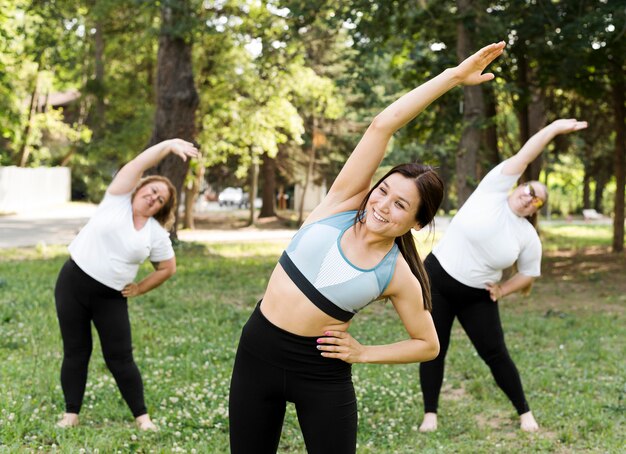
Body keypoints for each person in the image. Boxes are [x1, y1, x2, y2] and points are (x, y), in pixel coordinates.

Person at [228, 41, 506, 453]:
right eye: (383, 191)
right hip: (257, 353)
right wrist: (452, 78)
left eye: (400, 204)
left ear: (417, 222)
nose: (382, 205)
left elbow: (427, 344)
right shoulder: (339, 204)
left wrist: (363, 353)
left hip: (320, 374)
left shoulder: (396, 273)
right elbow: (382, 125)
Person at [418, 118, 588, 433]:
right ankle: (430, 414)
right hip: (437, 279)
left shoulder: (527, 237)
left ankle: (524, 413)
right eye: (529, 189)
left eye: (537, 199)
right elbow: (524, 155)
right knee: (433, 346)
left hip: (476, 295)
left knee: (495, 353)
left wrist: (504, 290)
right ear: (519, 186)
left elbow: (528, 274)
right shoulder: (492, 190)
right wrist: (552, 130)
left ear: (536, 209)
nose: (529, 197)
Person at [54, 139, 199, 430]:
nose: (153, 198)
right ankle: (71, 413)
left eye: (160, 200)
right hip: (72, 283)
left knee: (120, 358)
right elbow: (139, 164)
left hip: (111, 297)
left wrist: (141, 287)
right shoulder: (116, 200)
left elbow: (168, 268)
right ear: (141, 187)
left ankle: (142, 418)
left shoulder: (155, 233)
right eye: (152, 191)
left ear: (161, 208)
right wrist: (169, 144)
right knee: (76, 351)